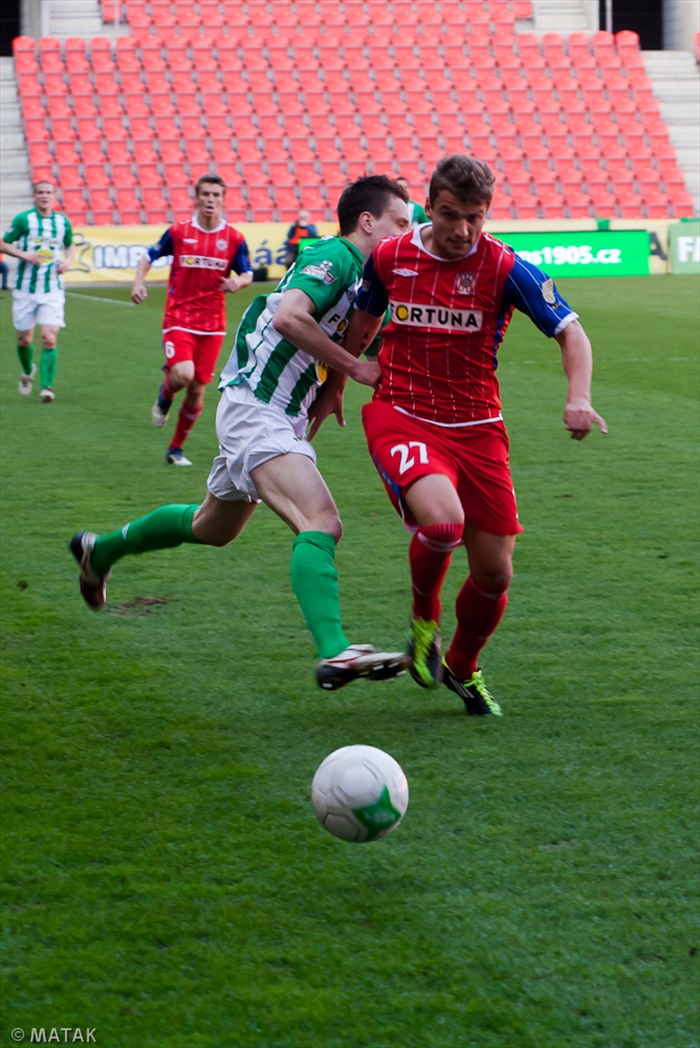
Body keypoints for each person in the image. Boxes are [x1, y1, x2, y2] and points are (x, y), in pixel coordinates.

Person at [70, 175, 413, 692]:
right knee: (321, 520)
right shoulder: (338, 255)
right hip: (258, 406)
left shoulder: (371, 279)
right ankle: (335, 650)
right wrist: (355, 368)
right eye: (401, 223)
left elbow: (350, 329)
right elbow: (291, 319)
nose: (409, 234)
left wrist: (336, 382)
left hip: (274, 411)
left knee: (214, 528)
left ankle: (103, 551)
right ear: (368, 222)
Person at [313, 155, 607, 716]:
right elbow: (366, 322)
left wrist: (579, 396)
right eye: (451, 215)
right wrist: (340, 380)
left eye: (476, 217)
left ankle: (462, 667)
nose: (463, 230)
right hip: (402, 411)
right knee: (443, 522)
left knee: (495, 575)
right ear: (429, 206)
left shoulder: (504, 266)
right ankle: (424, 623)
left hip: (478, 428)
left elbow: (572, 333)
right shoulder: (391, 255)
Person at [131, 174, 254, 466]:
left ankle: (175, 449)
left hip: (213, 324)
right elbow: (149, 256)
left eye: (216, 195)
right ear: (196, 198)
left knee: (198, 388)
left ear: (223, 200)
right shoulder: (178, 232)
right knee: (183, 376)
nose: (211, 200)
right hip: (179, 317)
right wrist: (138, 282)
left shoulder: (234, 239)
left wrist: (240, 283)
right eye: (206, 194)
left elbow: (248, 271)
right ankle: (165, 394)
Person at [0, 181, 75, 402]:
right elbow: (4, 244)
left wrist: (67, 262)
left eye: (49, 193)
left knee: (49, 338)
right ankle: (26, 372)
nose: (45, 196)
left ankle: (46, 388)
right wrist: (26, 255)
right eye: (41, 192)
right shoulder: (24, 219)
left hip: (52, 289)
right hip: (25, 289)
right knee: (24, 339)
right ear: (34, 196)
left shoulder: (62, 222)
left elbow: (70, 245)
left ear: (54, 197)